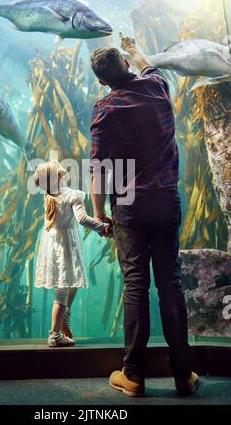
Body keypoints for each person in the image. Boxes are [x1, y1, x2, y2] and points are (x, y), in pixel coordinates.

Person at [89, 36, 199, 396]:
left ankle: (133, 375)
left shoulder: (104, 109)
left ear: (102, 81)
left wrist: (98, 211)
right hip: (165, 200)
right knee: (171, 284)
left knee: (136, 284)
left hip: (130, 206)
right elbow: (147, 62)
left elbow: (98, 169)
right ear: (126, 64)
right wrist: (133, 47)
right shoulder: (156, 86)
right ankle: (184, 375)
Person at [34, 160, 109, 347]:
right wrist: (105, 228)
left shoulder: (49, 194)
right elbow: (82, 219)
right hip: (65, 246)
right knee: (62, 290)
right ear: (58, 176)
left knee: (72, 281)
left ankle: (64, 316)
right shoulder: (72, 195)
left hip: (54, 244)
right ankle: (55, 334)